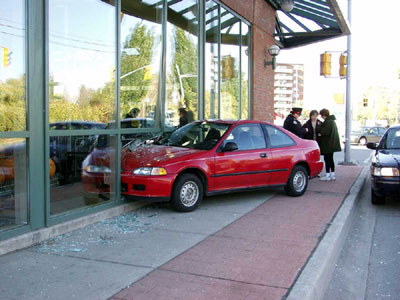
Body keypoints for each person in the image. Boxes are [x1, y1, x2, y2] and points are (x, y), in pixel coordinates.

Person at [319, 108, 341, 181]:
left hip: (327, 145)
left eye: (321, 115)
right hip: (332, 144)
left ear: (324, 115)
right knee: (331, 159)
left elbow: (325, 132)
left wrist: (319, 128)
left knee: (327, 159)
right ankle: (333, 175)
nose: (321, 117)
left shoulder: (328, 122)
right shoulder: (332, 121)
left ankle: (328, 175)